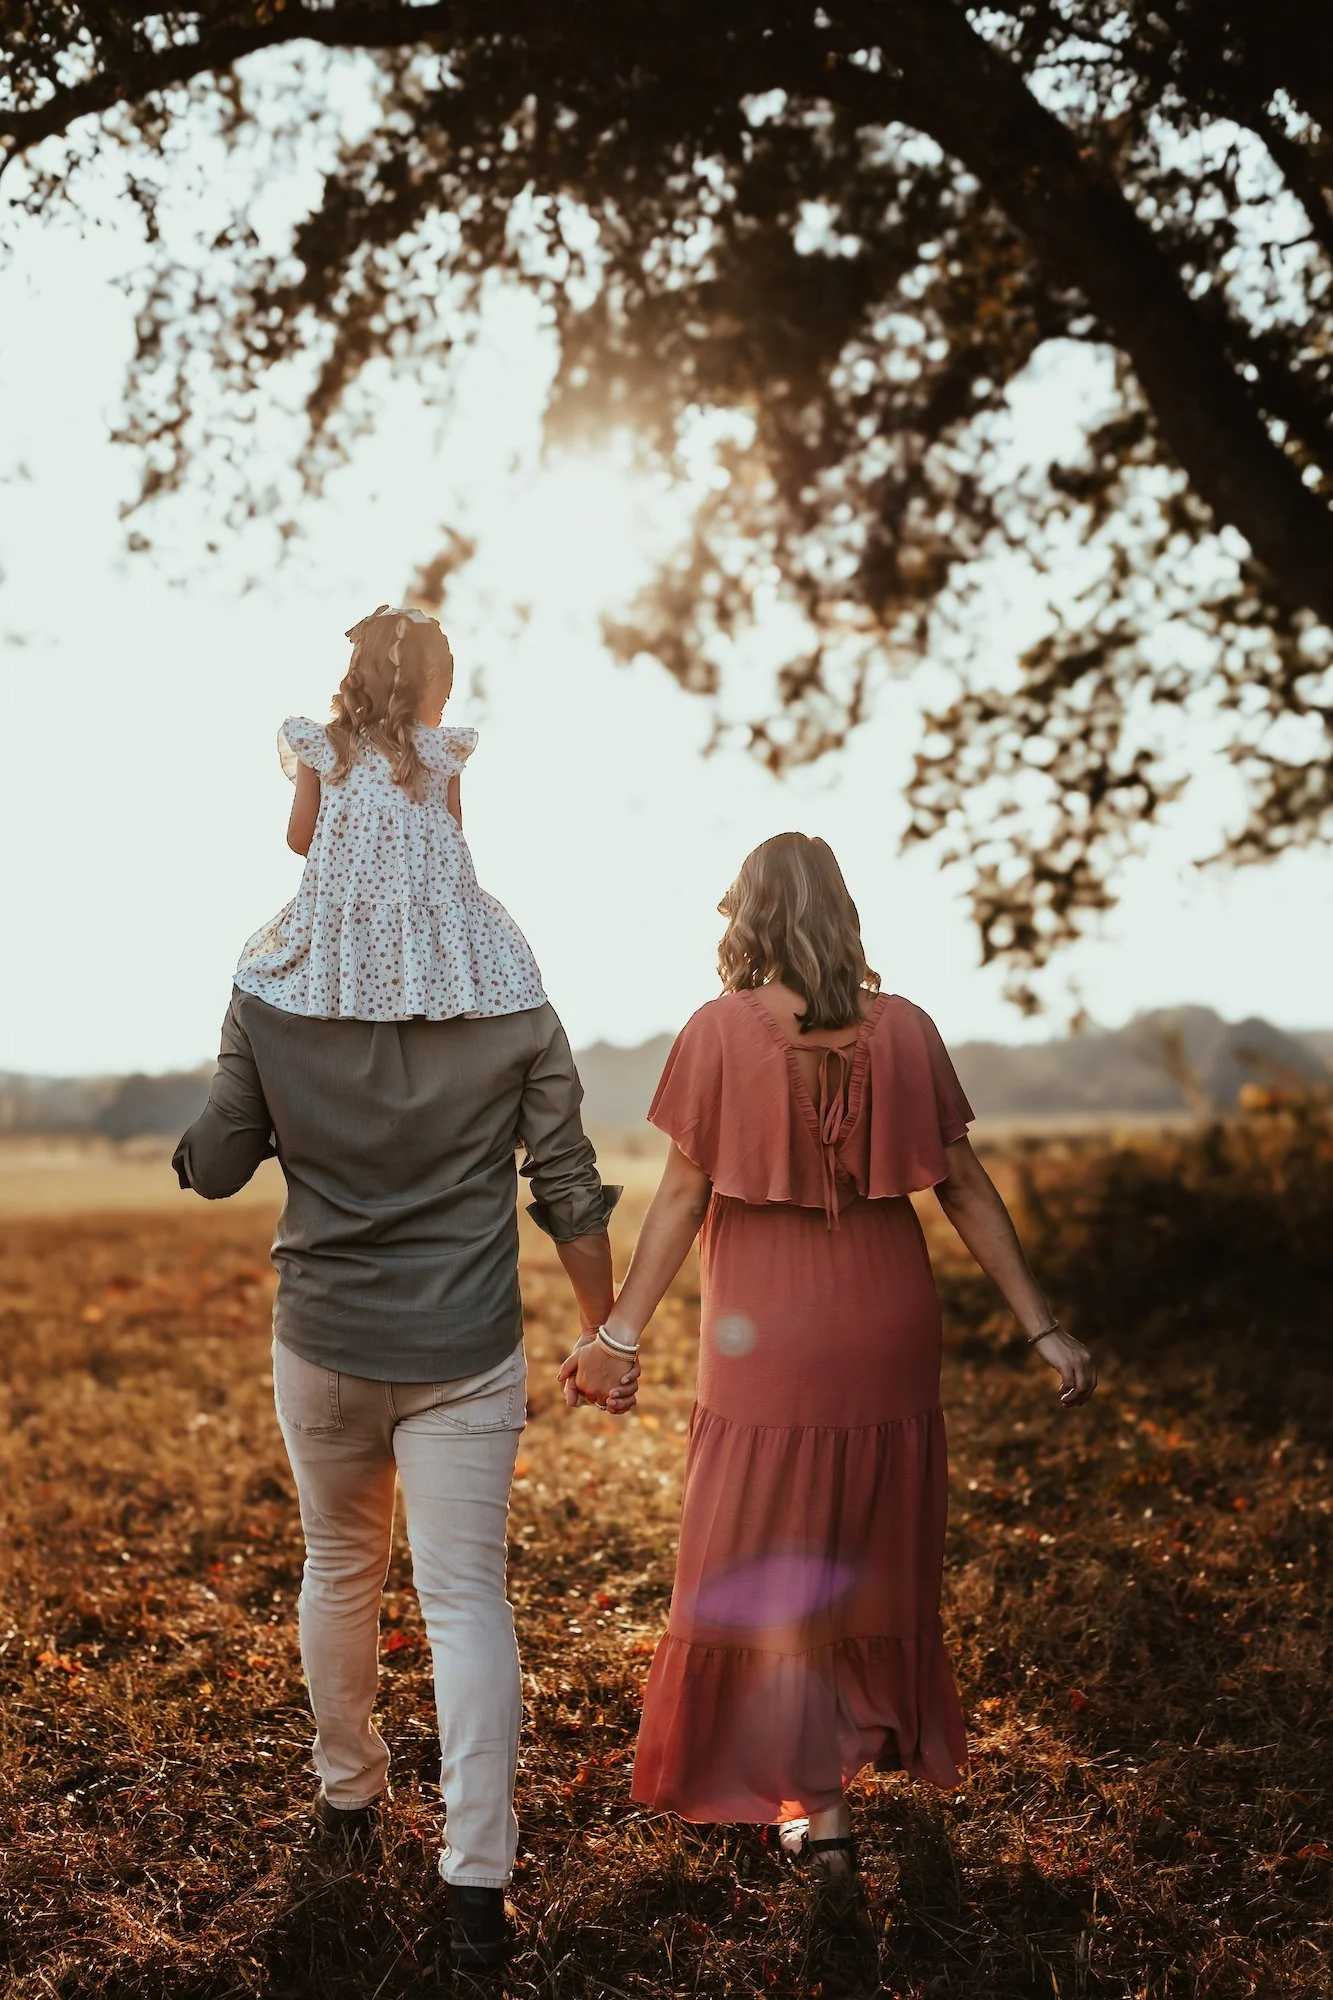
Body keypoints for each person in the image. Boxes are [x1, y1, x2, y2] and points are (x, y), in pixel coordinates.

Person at [175, 606, 630, 1973]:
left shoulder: (272, 989)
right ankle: (476, 1884)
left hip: (321, 1339)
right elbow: (568, 1183)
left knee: (337, 1567)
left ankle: (348, 1792)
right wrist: (606, 1321)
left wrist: (213, 1121)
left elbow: (213, 1165)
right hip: (467, 1346)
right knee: (467, 1604)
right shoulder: (510, 993)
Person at [561, 832, 1097, 1880]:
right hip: (889, 1322)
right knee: (864, 1548)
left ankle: (825, 1813)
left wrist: (615, 1333)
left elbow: (680, 1195)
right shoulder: (906, 1028)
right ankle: (843, 1760)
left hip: (770, 1338)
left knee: (774, 1562)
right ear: (842, 913)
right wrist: (1042, 1324)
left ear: (744, 916)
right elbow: (966, 1190)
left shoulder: (717, 1030)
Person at [234, 603, 545, 1022]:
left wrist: (354, 858)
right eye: (446, 695)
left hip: (345, 921)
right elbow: (452, 838)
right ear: (432, 680)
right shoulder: (440, 754)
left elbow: (298, 838)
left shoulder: (325, 748)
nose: (444, 709)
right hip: (426, 926)